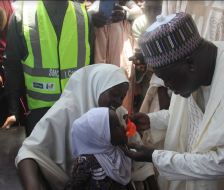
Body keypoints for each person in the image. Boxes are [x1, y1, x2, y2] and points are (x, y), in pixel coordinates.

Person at [120, 13, 224, 190]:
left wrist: (155, 157)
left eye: (167, 78)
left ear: (190, 64)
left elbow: (223, 161)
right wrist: (152, 120)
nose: (167, 86)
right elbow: (194, 117)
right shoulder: (200, 63)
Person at [15, 64, 156, 190]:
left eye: (122, 97)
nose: (118, 102)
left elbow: (136, 148)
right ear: (97, 87)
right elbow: (29, 151)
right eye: (114, 94)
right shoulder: (65, 112)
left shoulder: (117, 112)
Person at [2, 0, 94, 136]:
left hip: (78, 108)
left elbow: (91, 64)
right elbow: (12, 65)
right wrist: (14, 110)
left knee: (77, 156)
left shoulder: (84, 16)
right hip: (40, 112)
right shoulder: (22, 15)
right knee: (43, 156)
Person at [88, 1, 142, 112]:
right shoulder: (101, 14)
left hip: (126, 79)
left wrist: (126, 13)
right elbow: (100, 58)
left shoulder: (124, 9)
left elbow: (140, 11)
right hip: (112, 83)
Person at [65, 107, 134, 190]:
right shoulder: (87, 162)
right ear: (102, 137)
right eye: (117, 126)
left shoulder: (118, 150)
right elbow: (72, 187)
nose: (123, 126)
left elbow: (126, 179)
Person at [131, 0, 171, 113]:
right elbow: (140, 53)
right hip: (148, 76)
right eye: (148, 9)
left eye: (158, 8)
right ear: (143, 8)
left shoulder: (172, 23)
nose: (153, 14)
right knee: (149, 106)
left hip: (171, 74)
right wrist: (141, 64)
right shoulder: (139, 23)